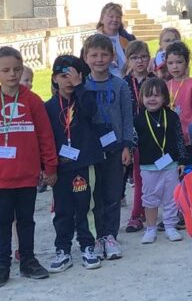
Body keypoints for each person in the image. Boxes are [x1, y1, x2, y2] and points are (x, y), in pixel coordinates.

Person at [0, 46, 57, 287]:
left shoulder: (33, 101)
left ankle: (28, 259)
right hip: (0, 178)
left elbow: (45, 136)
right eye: (6, 70)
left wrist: (50, 167)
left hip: (27, 176)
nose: (12, 75)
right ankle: (2, 263)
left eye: (17, 69)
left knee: (26, 220)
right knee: (2, 222)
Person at [44, 54, 110, 272]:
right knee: (62, 210)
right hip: (61, 167)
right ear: (54, 79)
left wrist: (81, 87)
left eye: (73, 76)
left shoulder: (84, 99)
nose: (68, 81)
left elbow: (92, 111)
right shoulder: (49, 107)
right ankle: (62, 249)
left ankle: (88, 246)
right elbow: (44, 138)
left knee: (86, 207)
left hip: (84, 163)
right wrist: (48, 165)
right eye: (63, 76)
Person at [82, 33, 136, 261]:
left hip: (115, 147)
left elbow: (127, 117)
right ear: (86, 58)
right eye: (94, 55)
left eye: (104, 54)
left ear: (113, 57)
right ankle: (95, 236)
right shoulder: (82, 86)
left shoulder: (120, 85)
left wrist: (127, 146)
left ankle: (110, 236)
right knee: (93, 195)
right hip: (91, 149)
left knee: (113, 193)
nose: (99, 59)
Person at [133, 76, 191, 243]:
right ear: (141, 98)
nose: (152, 99)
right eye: (148, 95)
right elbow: (133, 141)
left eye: (157, 95)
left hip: (170, 164)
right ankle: (150, 229)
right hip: (148, 166)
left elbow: (179, 139)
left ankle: (170, 226)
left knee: (171, 196)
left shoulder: (171, 116)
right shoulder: (138, 119)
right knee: (150, 197)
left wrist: (182, 161)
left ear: (165, 97)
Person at [123, 39, 154, 233]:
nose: (140, 61)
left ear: (149, 59)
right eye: (134, 58)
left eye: (143, 57)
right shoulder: (123, 83)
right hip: (130, 134)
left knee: (150, 175)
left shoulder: (155, 81)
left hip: (151, 133)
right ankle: (136, 213)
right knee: (134, 175)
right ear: (128, 61)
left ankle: (142, 212)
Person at [163, 41, 192, 138]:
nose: (174, 66)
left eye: (179, 62)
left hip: (191, 137)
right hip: (171, 138)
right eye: (170, 63)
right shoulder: (166, 85)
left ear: (186, 62)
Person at [95, 2, 137, 76]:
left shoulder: (130, 39)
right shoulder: (93, 42)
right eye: (111, 16)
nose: (115, 20)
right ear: (102, 19)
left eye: (118, 17)